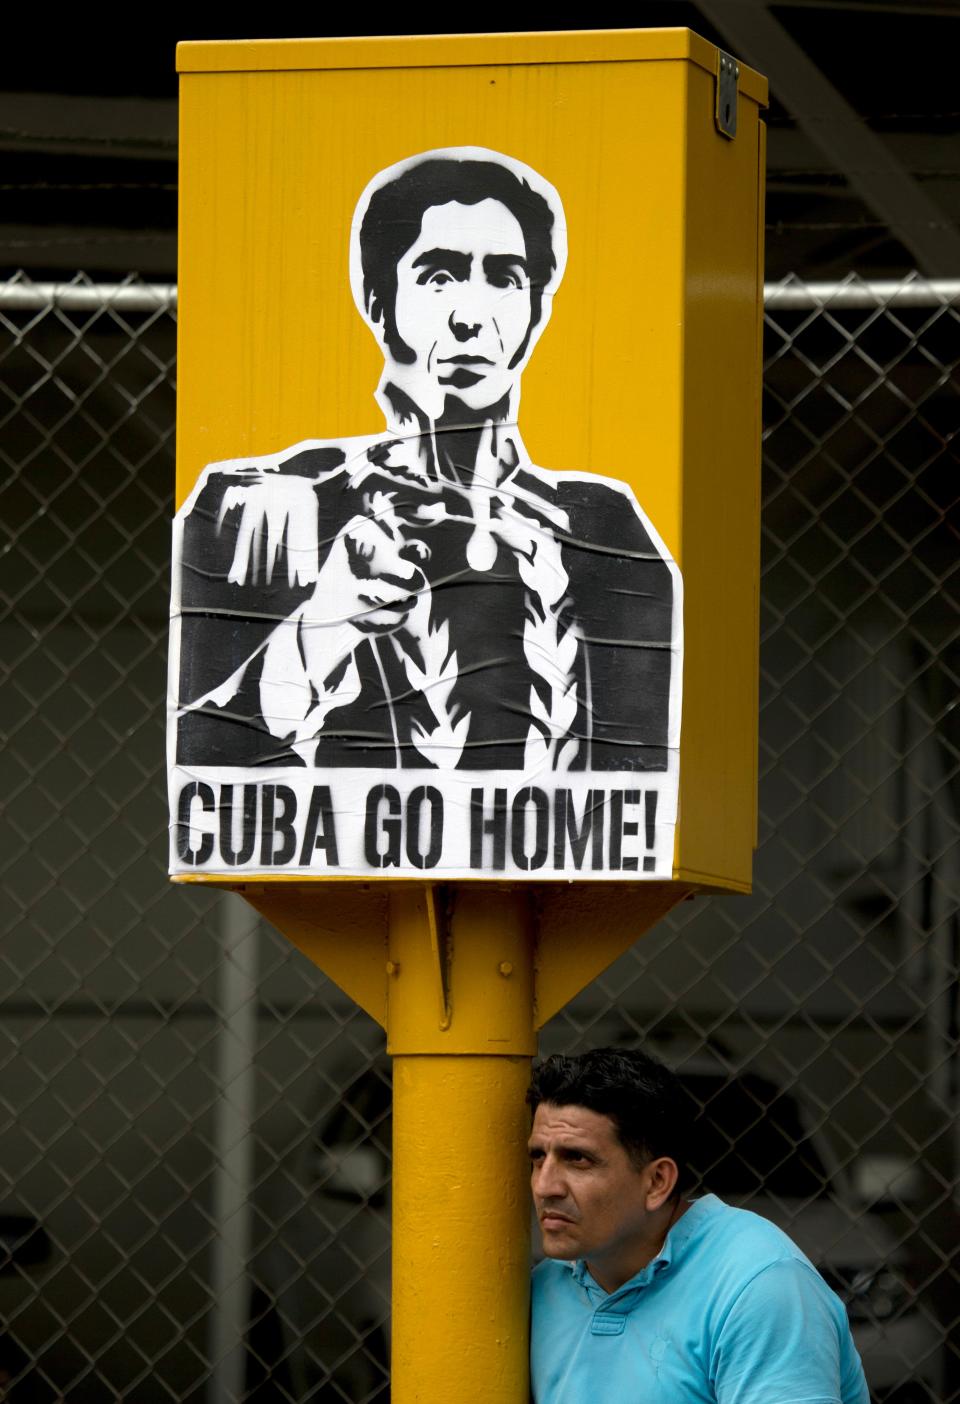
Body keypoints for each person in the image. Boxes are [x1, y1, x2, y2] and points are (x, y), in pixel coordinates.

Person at [173, 148, 681, 775]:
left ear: (537, 310)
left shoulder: (605, 530)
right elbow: (202, 777)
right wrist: (320, 631)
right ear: (376, 298)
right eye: (438, 276)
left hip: (545, 874)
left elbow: (649, 791)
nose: (471, 316)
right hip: (333, 870)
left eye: (505, 277)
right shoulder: (266, 507)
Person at [527, 1048, 870, 1404]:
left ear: (657, 1182)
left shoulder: (759, 1283)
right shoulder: (542, 1288)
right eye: (538, 1157)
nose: (544, 1186)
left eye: (577, 1159)